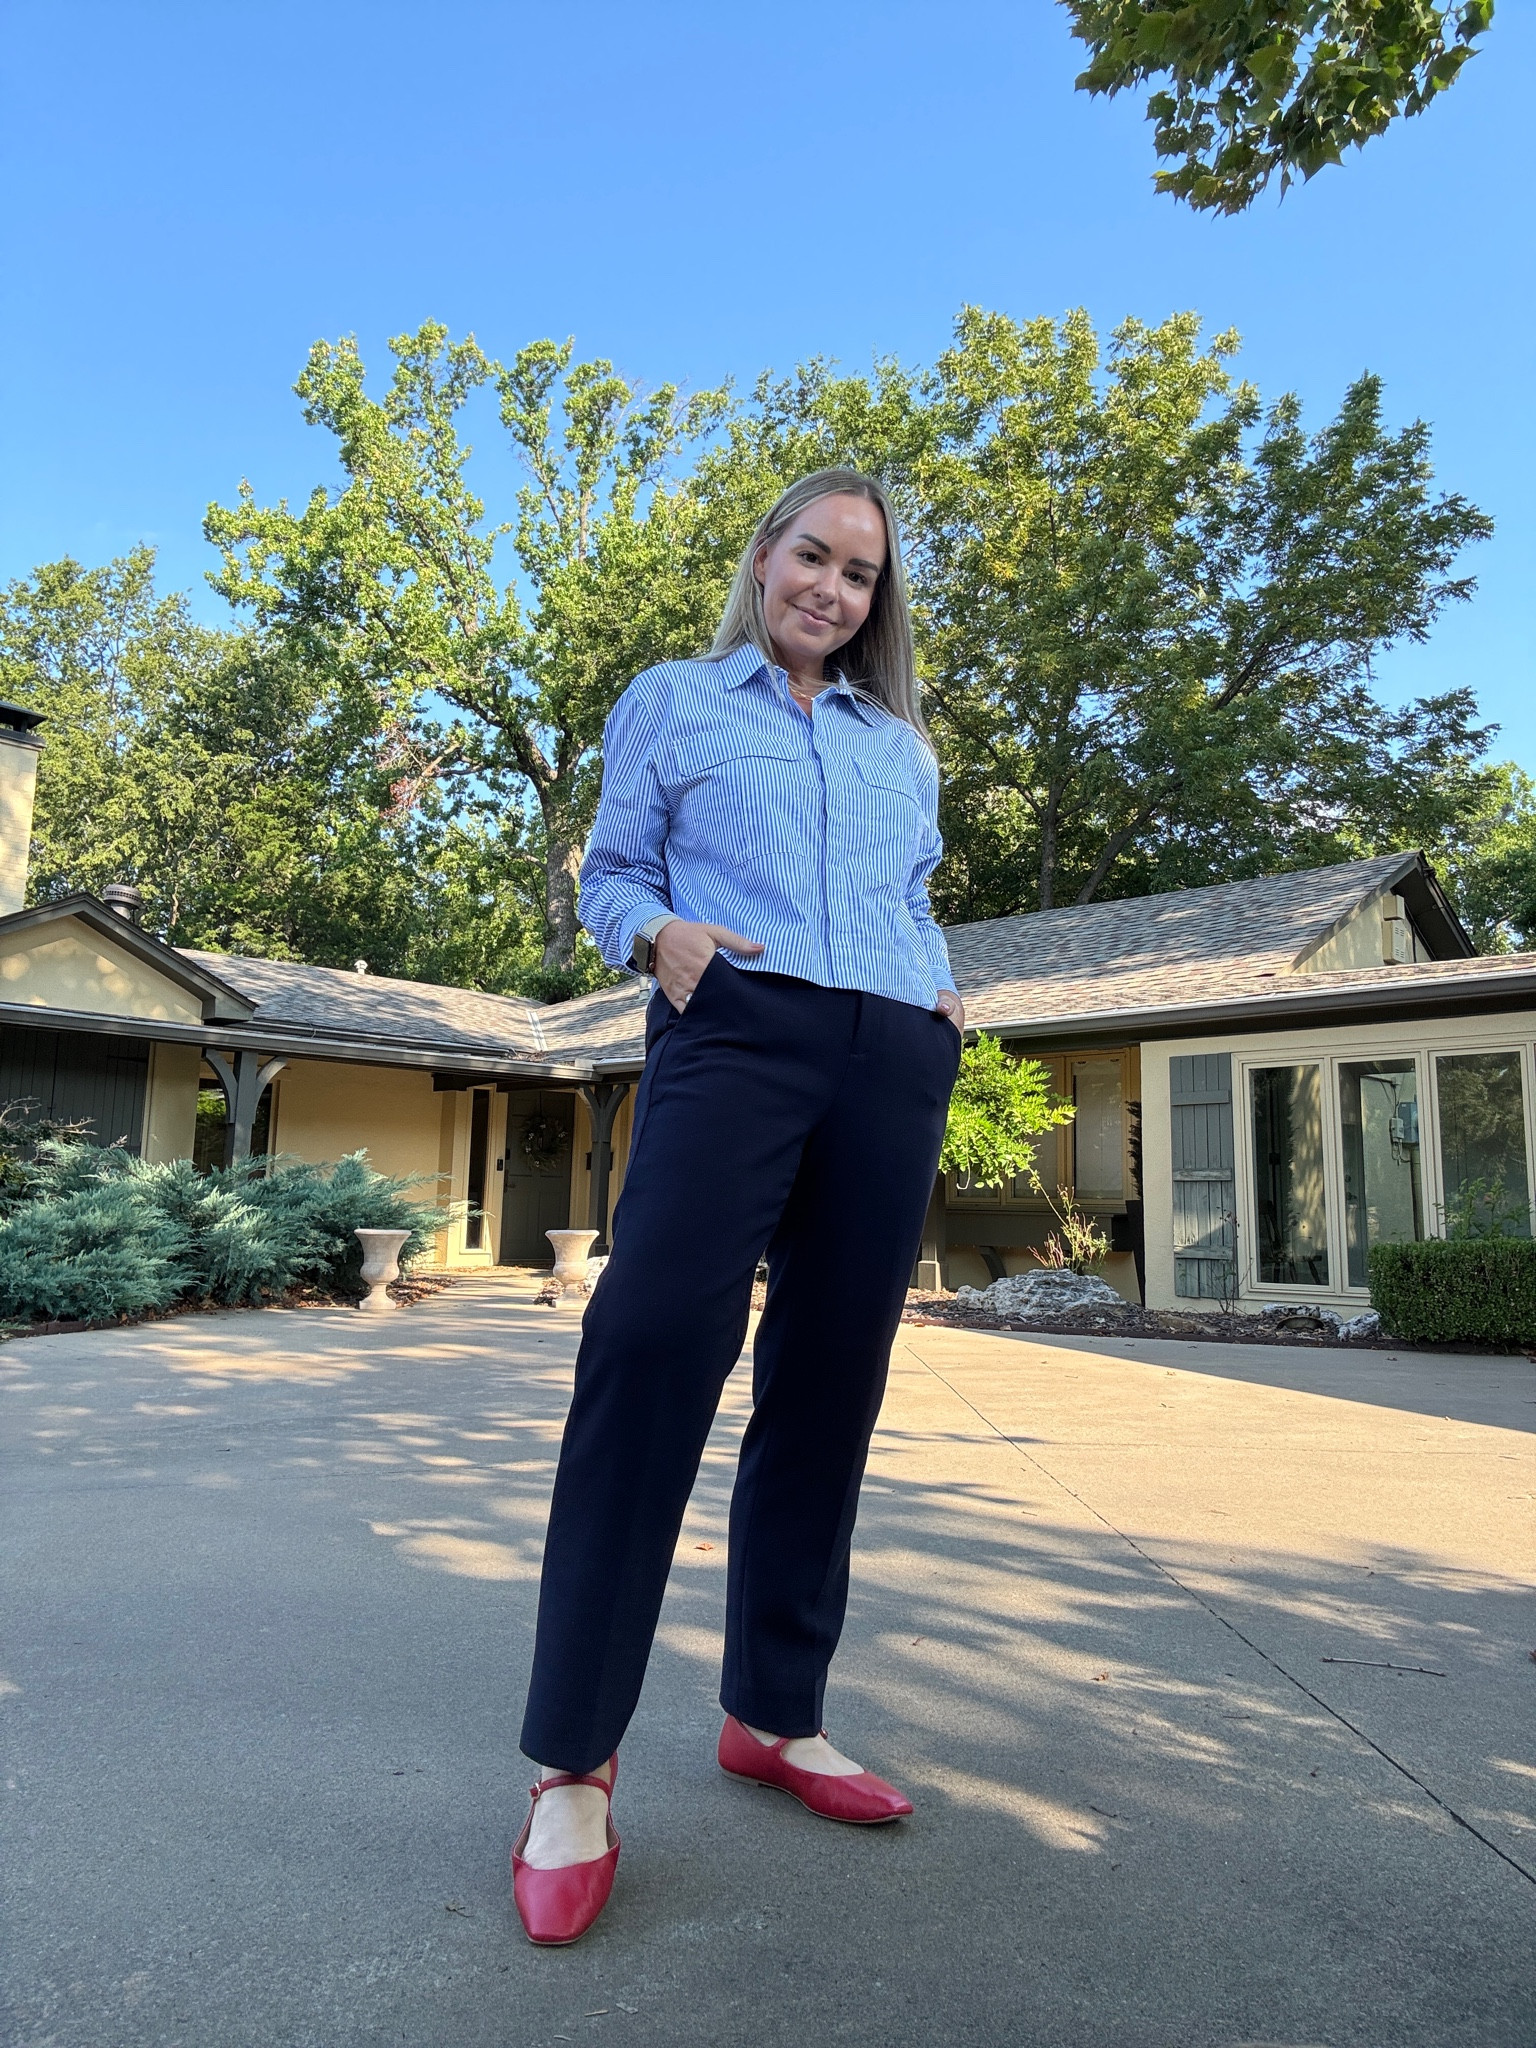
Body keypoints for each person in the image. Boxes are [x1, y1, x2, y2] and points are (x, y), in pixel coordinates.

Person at [511, 468, 965, 1946]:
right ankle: (570, 1768)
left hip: (890, 1051)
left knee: (831, 1388)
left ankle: (775, 1713)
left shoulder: (900, 745)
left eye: (861, 575)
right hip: (737, 1024)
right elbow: (613, 871)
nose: (833, 589)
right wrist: (664, 937)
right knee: (647, 1353)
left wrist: (939, 998)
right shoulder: (676, 698)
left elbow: (906, 890)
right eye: (813, 557)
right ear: (766, 557)